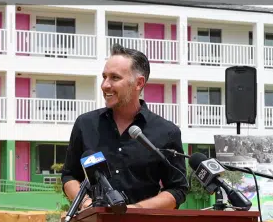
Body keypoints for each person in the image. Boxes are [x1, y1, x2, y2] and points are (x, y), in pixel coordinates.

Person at [61, 43, 188, 210]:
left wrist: (136, 210)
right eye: (104, 76)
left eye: (114, 78)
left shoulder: (167, 132)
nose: (105, 85)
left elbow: (177, 189)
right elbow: (69, 175)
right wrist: (87, 204)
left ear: (138, 83)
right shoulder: (85, 124)